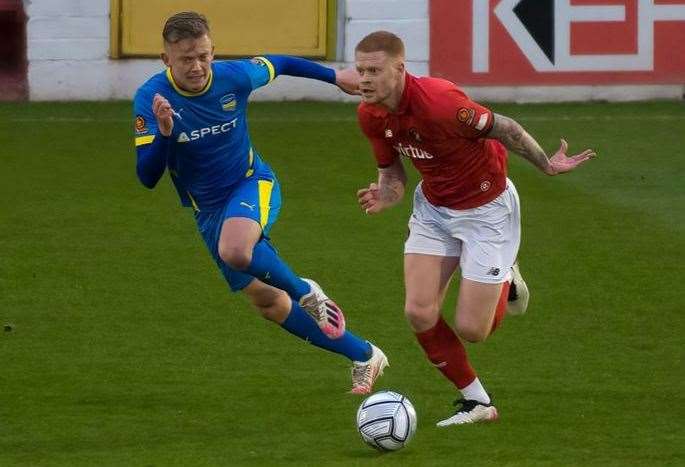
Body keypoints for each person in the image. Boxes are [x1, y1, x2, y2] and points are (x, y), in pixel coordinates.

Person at [132, 12, 388, 394]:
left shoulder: (234, 77)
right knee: (268, 302)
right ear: (166, 60)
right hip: (208, 210)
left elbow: (280, 63)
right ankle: (365, 355)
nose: (198, 66)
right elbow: (147, 178)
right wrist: (166, 134)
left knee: (236, 250)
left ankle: (307, 292)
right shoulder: (151, 100)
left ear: (213, 50)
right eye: (186, 59)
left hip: (251, 184)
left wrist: (335, 77)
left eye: (204, 55)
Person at [354, 31, 595, 424]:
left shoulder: (440, 104)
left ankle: (507, 276)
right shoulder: (370, 114)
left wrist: (547, 166)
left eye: (374, 71)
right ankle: (478, 402)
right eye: (360, 69)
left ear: (399, 69)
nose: (364, 79)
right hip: (433, 209)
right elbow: (391, 173)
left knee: (473, 330)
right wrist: (388, 195)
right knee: (418, 312)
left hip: (487, 212)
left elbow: (508, 129)